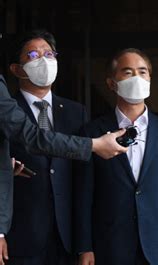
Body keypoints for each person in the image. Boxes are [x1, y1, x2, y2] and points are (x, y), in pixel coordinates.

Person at [75, 48, 158, 265]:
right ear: (111, 83)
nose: (136, 78)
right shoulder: (92, 132)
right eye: (127, 72)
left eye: (142, 72)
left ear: (150, 80)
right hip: (110, 243)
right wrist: (85, 247)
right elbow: (84, 194)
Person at [0, 75, 127, 265]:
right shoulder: (14, 102)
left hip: (63, 237)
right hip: (25, 234)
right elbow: (31, 136)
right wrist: (94, 145)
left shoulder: (75, 110)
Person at [1, 29, 87, 265]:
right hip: (21, 235)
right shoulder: (7, 111)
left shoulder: (76, 112)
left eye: (49, 54)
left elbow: (84, 178)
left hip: (67, 236)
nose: (44, 61)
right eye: (33, 55)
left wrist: (86, 242)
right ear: (16, 69)